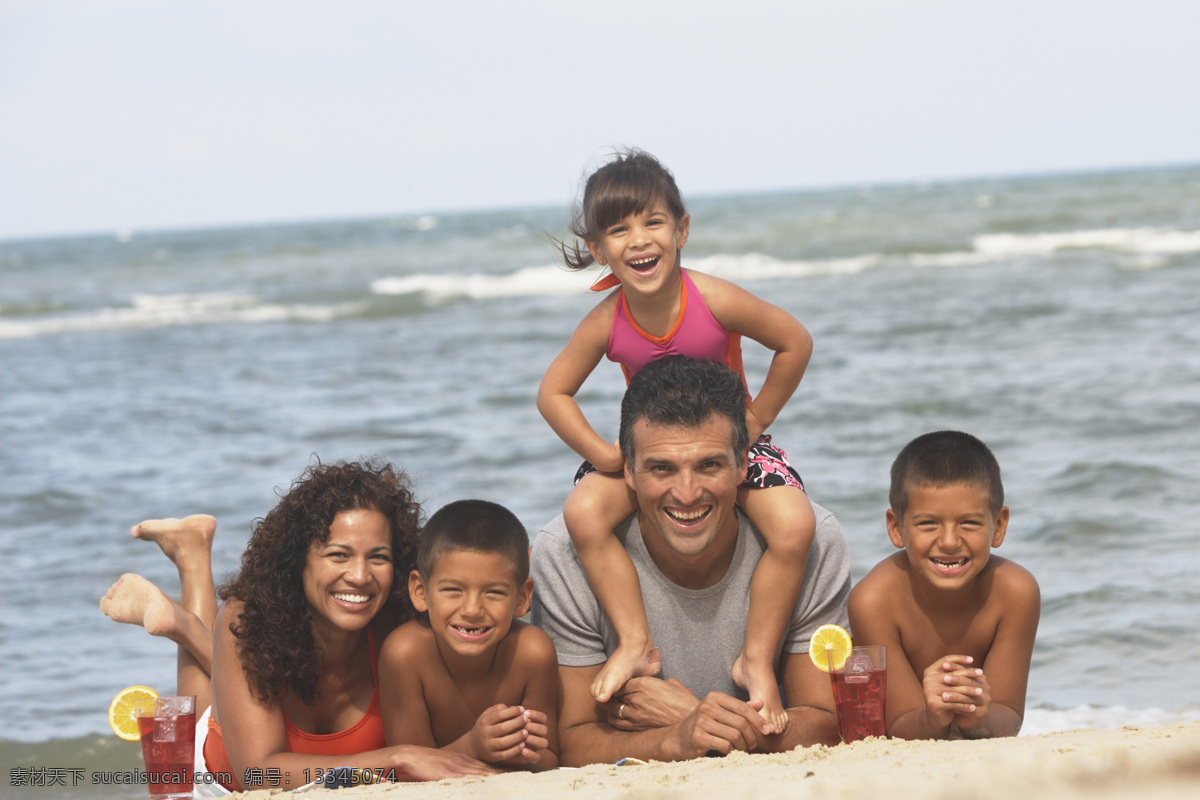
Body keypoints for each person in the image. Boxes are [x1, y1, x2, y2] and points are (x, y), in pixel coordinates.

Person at [537, 149, 816, 733]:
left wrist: (758, 418)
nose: (638, 240)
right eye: (619, 229)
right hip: (655, 460)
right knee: (583, 513)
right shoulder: (607, 320)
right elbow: (553, 394)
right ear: (598, 248)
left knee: (794, 527)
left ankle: (757, 658)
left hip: (732, 451)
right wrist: (604, 454)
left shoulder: (713, 298)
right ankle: (635, 640)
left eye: (652, 222)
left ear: (681, 229)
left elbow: (795, 341)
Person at [100, 460, 496, 795]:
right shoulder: (250, 620)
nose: (360, 576)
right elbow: (259, 773)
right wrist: (397, 758)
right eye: (338, 554)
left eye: (379, 557)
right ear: (298, 560)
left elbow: (438, 754)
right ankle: (187, 595)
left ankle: (190, 560)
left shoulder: (402, 631)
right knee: (201, 717)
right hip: (217, 784)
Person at [532, 355, 851, 766]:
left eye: (709, 465)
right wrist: (676, 739)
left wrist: (693, 718)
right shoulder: (564, 553)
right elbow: (574, 741)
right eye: (661, 468)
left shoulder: (812, 540)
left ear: (743, 465)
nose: (686, 493)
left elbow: (827, 722)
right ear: (627, 470)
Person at [848, 431, 1040, 739]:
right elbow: (897, 725)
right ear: (897, 529)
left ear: (999, 526)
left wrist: (979, 717)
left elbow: (1010, 716)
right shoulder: (873, 601)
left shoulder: (1015, 593)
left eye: (969, 523)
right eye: (928, 523)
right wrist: (931, 718)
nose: (949, 541)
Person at [378, 500, 559, 770]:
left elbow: (551, 757)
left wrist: (517, 752)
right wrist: (473, 747)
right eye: (452, 590)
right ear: (419, 591)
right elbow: (410, 769)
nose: (472, 610)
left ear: (522, 598)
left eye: (494, 592)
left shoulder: (532, 652)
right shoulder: (405, 654)